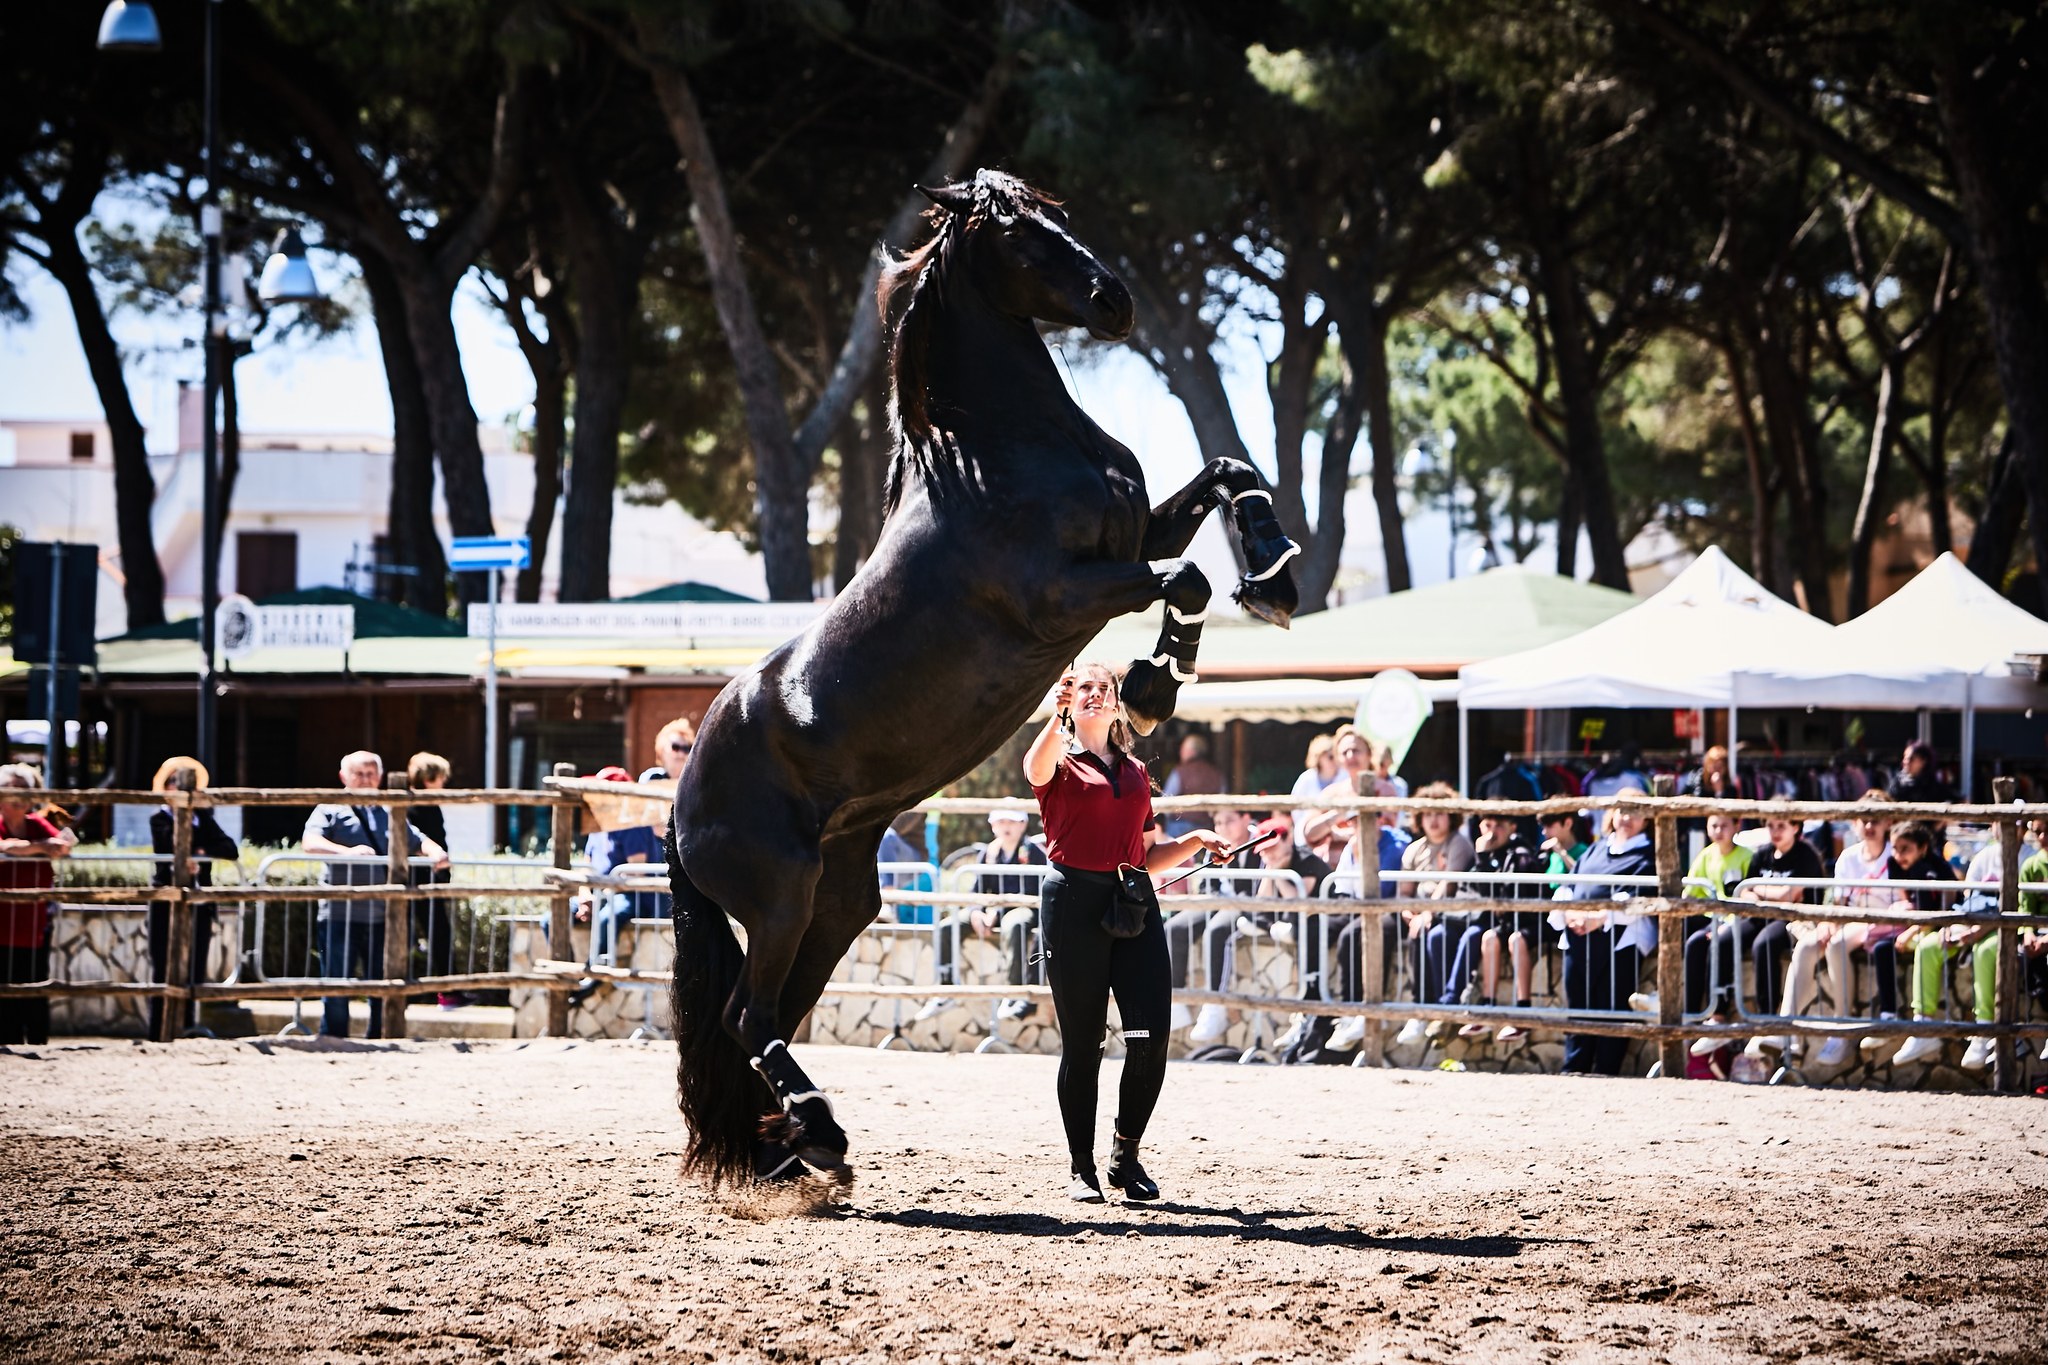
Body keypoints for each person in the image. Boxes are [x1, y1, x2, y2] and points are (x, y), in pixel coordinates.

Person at [1025, 662, 1229, 1203]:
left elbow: (1148, 853)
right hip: (1072, 902)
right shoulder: (1060, 762)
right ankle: (1079, 1167)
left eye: (1103, 689)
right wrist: (1057, 713)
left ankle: (1125, 1155)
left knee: (1151, 1036)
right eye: (1085, 688)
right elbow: (1034, 765)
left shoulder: (1137, 773)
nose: (1094, 695)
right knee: (1084, 1045)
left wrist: (1198, 841)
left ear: (1117, 705)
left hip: (1133, 901)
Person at [302, 751, 449, 1039]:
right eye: (358, 773)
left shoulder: (389, 810)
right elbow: (310, 842)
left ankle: (380, 1037)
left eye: (370, 773)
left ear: (380, 778)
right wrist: (347, 853)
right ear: (344, 777)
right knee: (336, 982)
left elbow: (417, 840)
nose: (365, 779)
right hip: (339, 912)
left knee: (382, 981)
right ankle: (335, 1038)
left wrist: (436, 853)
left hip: (382, 913)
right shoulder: (329, 808)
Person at [1550, 791, 1656, 1075]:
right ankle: (1575, 1066)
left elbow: (1641, 897)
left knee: (1611, 1004)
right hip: (1579, 935)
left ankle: (1607, 1070)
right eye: (1622, 811)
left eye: (1635, 812)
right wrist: (1570, 911)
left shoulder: (1649, 854)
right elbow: (1569, 885)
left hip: (1619, 939)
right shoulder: (1596, 849)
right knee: (1579, 1003)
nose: (1626, 818)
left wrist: (1601, 917)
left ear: (1647, 818)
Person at [147, 758, 239, 1039]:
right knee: (162, 965)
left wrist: (198, 853)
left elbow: (229, 848)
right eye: (173, 781)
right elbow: (167, 852)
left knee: (195, 967)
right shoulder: (160, 819)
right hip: (166, 899)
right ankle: (159, 1030)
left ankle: (188, 1026)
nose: (179, 787)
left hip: (200, 900)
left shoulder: (205, 819)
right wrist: (188, 855)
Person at [1320, 780, 1412, 1054]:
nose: (1358, 825)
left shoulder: (1396, 845)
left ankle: (1357, 1009)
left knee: (1357, 934)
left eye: (1364, 818)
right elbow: (1345, 890)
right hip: (1361, 907)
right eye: (1354, 821)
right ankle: (1313, 999)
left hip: (1391, 910)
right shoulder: (1353, 846)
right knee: (1319, 926)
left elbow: (1385, 892)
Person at [933, 809, 1050, 1021]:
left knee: (1014, 925)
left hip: (1022, 908)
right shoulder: (988, 853)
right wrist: (976, 912)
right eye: (1000, 821)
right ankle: (946, 985)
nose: (1006, 826)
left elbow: (1034, 889)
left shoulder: (1033, 852)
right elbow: (977, 890)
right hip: (990, 909)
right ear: (992, 826)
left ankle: (1013, 992)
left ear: (1023, 824)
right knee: (948, 926)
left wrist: (996, 910)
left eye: (1012, 822)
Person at [1635, 813, 1749, 1027]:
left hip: (1733, 920)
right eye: (1714, 825)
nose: (1718, 830)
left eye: (1724, 825)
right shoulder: (1706, 855)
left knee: (1698, 943)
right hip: (1709, 917)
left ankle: (1703, 1011)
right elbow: (1691, 892)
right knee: (1676, 928)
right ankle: (1665, 994)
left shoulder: (1746, 856)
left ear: (1736, 826)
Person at [1889, 819, 1986, 1069]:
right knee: (1884, 949)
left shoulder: (1927, 868)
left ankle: (1920, 1024)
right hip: (1927, 925)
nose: (1898, 855)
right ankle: (1891, 1017)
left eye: (1905, 849)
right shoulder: (1900, 865)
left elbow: (1931, 912)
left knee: (1920, 946)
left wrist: (1910, 932)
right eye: (1895, 848)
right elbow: (1910, 900)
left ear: (1922, 848)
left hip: (1942, 923)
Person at [567, 766, 664, 1008]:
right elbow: (586, 866)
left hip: (632, 896)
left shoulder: (633, 824)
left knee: (607, 917)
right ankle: (568, 972)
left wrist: (597, 895)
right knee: (552, 918)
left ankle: (595, 973)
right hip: (599, 892)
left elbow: (635, 872)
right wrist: (584, 895)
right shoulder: (597, 825)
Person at [1728, 817, 1825, 1060]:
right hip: (1761, 916)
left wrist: (1762, 892)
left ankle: (1767, 1020)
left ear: (1796, 827)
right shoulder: (1762, 854)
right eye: (1770, 826)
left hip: (1795, 919)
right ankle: (1718, 1011)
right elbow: (1744, 891)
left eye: (1781, 826)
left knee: (1764, 944)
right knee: (1722, 939)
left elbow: (1787, 896)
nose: (1775, 832)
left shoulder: (1806, 855)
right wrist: (1771, 894)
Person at [1391, 783, 1476, 1048]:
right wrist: (1409, 913)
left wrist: (1424, 913)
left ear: (1451, 816)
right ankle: (1425, 1010)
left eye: (1439, 813)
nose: (1434, 820)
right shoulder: (1414, 849)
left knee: (1430, 933)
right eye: (1427, 814)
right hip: (1421, 914)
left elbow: (1447, 885)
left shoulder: (1458, 844)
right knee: (1420, 931)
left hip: (1453, 915)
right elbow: (1403, 892)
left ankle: (1430, 1008)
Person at [1167, 805, 1258, 1045]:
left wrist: (1228, 901)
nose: (1222, 828)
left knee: (1216, 932)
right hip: (1217, 901)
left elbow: (1257, 886)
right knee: (1175, 928)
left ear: (1245, 817)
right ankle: (1175, 999)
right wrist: (1215, 899)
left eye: (1229, 821)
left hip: (1245, 904)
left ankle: (1215, 1004)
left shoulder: (1259, 843)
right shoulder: (1215, 842)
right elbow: (1207, 884)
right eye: (1218, 823)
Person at [1457, 813, 1547, 1042]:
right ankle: (1487, 1008)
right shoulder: (1484, 853)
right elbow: (1480, 889)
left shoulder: (1521, 853)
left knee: (1516, 940)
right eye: (1488, 825)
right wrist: (1482, 856)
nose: (1492, 831)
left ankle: (1522, 1013)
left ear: (1512, 827)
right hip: (1507, 921)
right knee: (1489, 938)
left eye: (1499, 825)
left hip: (1531, 921)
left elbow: (1511, 889)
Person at [0, 763, 71, 1045]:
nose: (20, 795)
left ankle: (37, 1037)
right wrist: (40, 846)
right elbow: (3, 846)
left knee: (35, 976)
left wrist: (39, 844)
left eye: (24, 788)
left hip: (34, 918)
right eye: (13, 788)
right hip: (4, 917)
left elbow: (63, 844)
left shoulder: (36, 824)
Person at [405, 752, 461, 1007]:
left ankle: (447, 990)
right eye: (440, 777)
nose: (443, 782)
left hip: (430, 878)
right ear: (429, 778)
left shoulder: (430, 805)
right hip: (417, 879)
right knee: (424, 934)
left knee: (437, 934)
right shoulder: (412, 807)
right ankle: (442, 991)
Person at [1159, 733, 1224, 837]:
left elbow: (1165, 799)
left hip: (1180, 827)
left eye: (1183, 749)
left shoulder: (1179, 772)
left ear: (1192, 752)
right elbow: (1223, 798)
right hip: (1208, 827)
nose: (1180, 752)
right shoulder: (1216, 773)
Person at [639, 716, 696, 786]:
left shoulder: (695, 782)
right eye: (675, 747)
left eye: (686, 748)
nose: (681, 754)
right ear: (661, 750)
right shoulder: (652, 777)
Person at [1290, 734, 1338, 801]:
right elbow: (1296, 808)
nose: (1336, 760)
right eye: (1331, 757)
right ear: (1319, 758)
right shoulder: (1306, 779)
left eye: (1337, 755)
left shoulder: (1346, 776)